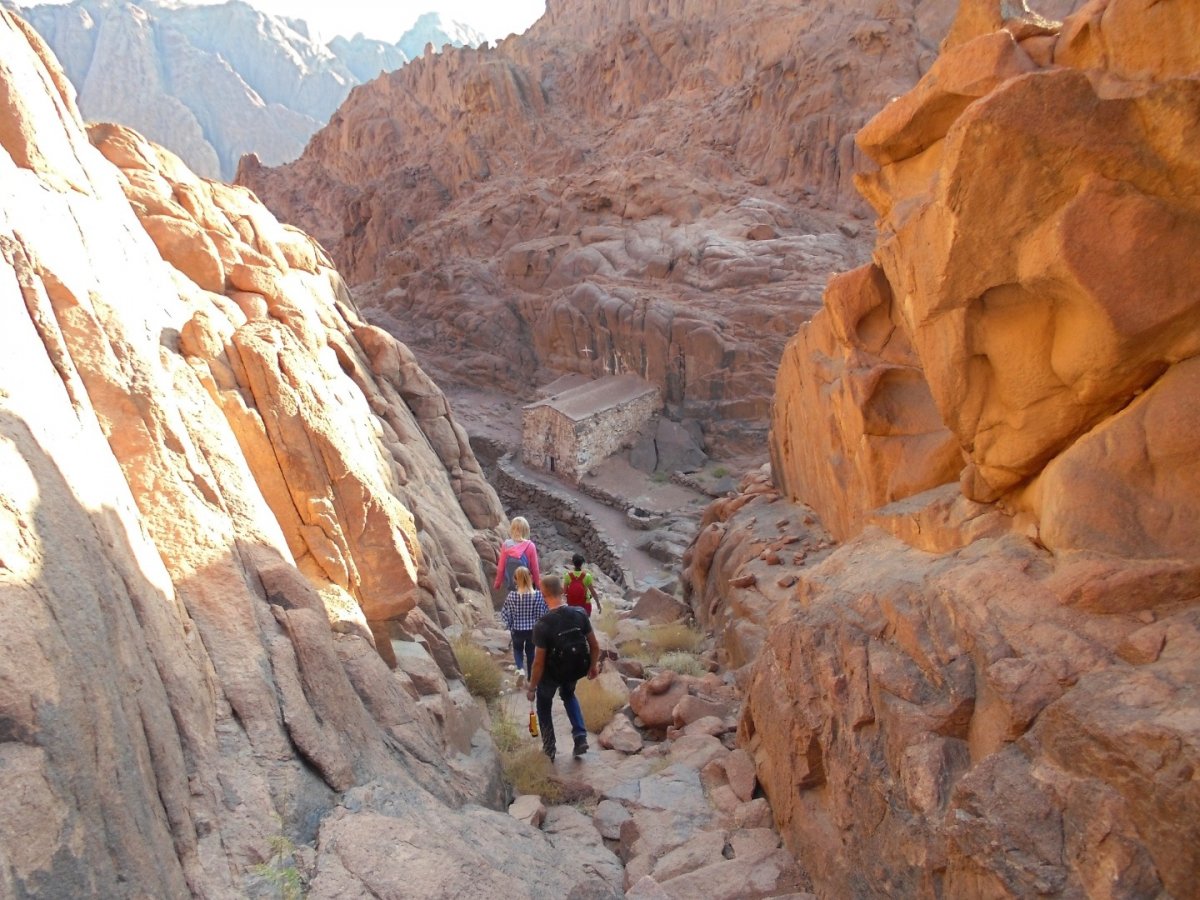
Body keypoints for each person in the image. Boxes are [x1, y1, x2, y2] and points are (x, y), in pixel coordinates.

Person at [526, 574, 600, 760]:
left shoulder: (542, 625)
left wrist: (532, 687)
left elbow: (538, 662)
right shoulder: (579, 614)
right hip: (574, 668)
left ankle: (550, 747)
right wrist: (592, 666)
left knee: (544, 704)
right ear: (562, 591)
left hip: (552, 674)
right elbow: (595, 645)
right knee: (568, 695)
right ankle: (580, 736)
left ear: (543, 595)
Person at [498, 566, 547, 683]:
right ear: (530, 578)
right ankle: (531, 677)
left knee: (518, 650)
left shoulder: (512, 596)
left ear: (515, 580)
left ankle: (520, 669)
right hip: (533, 630)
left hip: (517, 629)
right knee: (531, 652)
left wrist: (509, 625)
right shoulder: (538, 595)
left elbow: (506, 613)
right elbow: (543, 613)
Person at [494, 516, 541, 593]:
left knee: (513, 600)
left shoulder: (506, 545)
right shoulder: (530, 546)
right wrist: (538, 585)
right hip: (526, 583)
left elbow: (501, 567)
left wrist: (497, 583)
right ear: (526, 531)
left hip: (510, 582)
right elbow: (535, 568)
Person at [563, 552, 601, 617]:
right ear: (582, 564)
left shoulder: (567, 576)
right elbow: (593, 592)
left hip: (572, 605)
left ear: (573, 563)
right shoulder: (587, 576)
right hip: (585, 605)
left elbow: (565, 592)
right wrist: (598, 604)